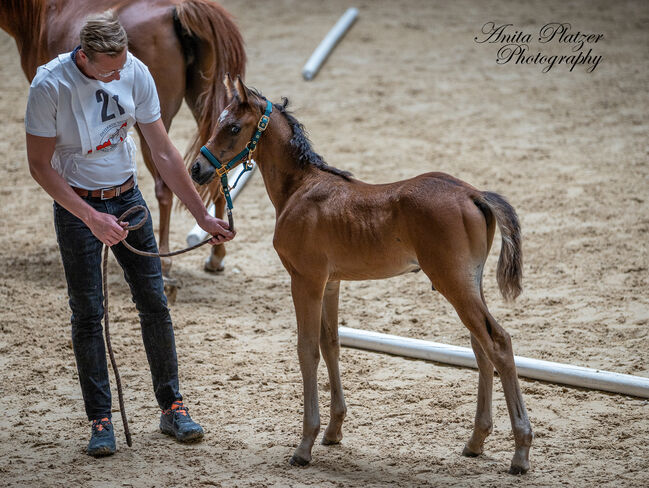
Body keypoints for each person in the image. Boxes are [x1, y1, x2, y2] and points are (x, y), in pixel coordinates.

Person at [24, 11, 234, 457]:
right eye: (110, 69)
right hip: (78, 206)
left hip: (128, 198)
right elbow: (40, 167)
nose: (119, 75)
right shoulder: (48, 86)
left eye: (123, 65)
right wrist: (89, 217)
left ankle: (172, 407)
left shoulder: (133, 69)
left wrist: (202, 216)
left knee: (154, 304)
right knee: (88, 314)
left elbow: (162, 150)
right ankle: (100, 419)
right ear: (84, 56)